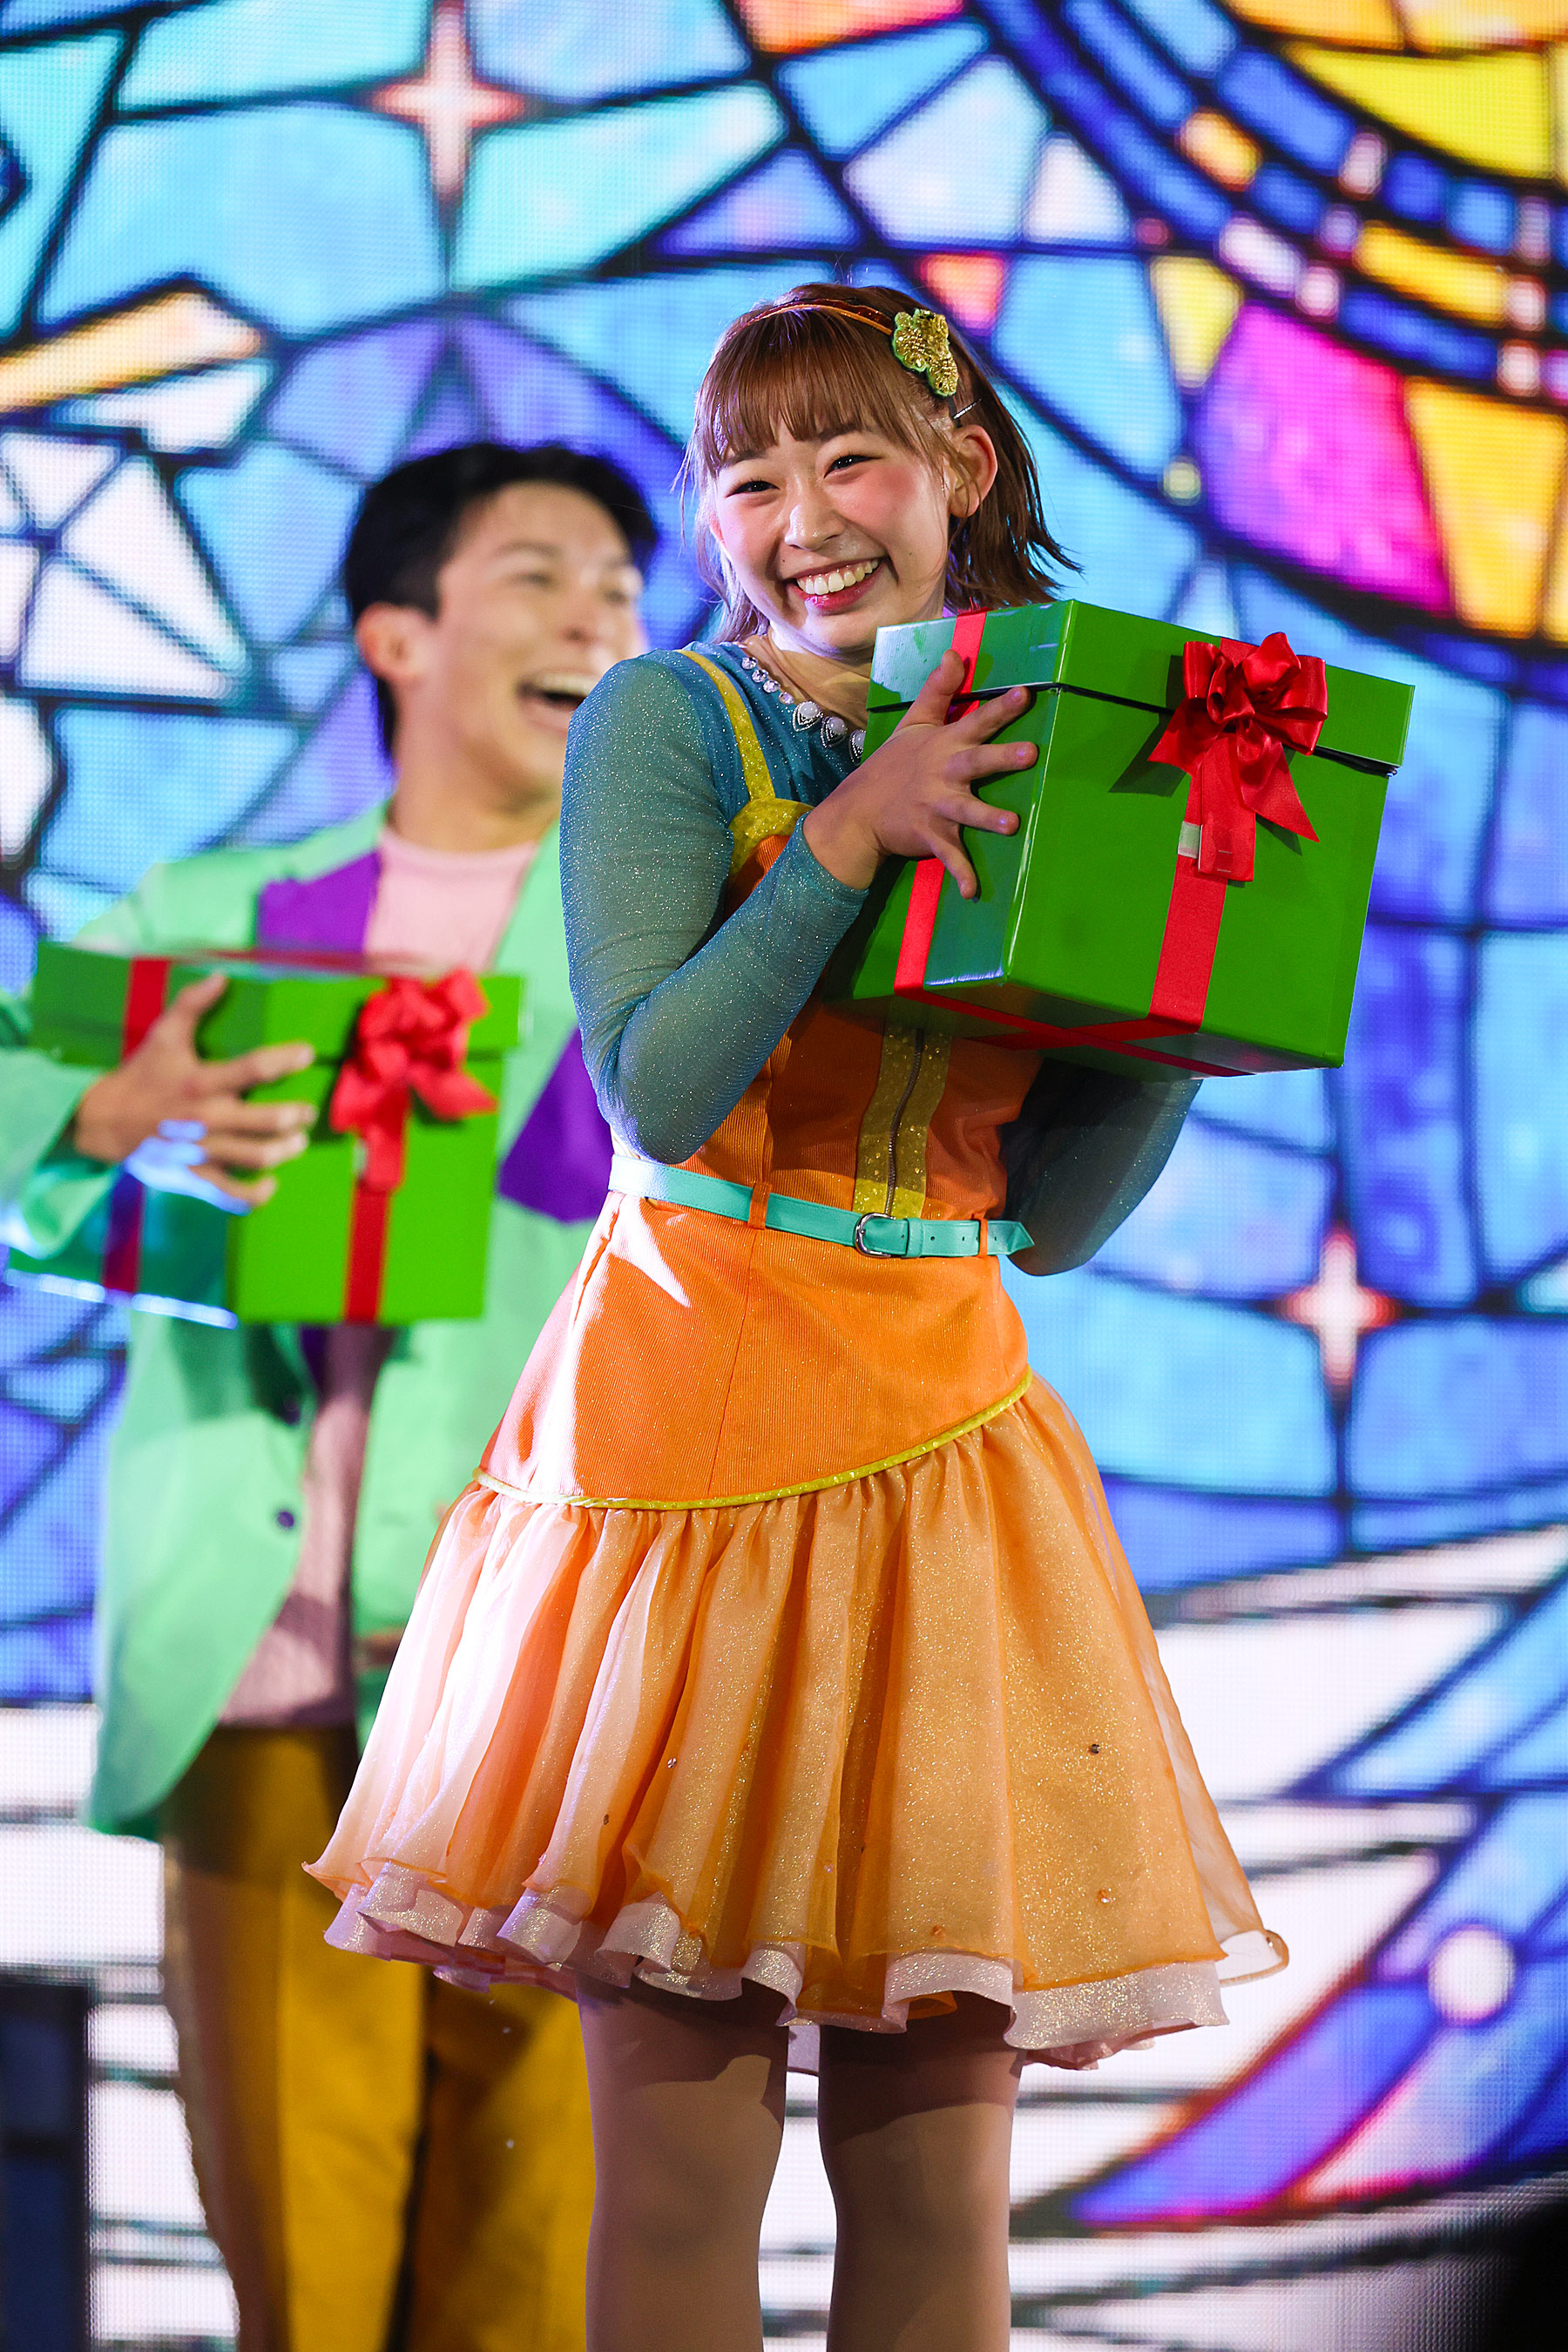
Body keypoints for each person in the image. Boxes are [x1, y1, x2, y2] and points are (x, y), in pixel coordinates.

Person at [309, 294, 1286, 2352]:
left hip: (950, 1473)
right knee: (685, 2180)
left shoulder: (1065, 728)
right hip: (696, 1452)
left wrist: (1194, 981)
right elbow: (658, 1091)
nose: (802, 516)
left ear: (962, 473)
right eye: (748, 477)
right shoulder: (675, 721)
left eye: (850, 459)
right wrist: (848, 831)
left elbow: (1057, 1222)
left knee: (937, 2193)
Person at [0, 441, 652, 2352]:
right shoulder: (208, 915)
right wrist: (103, 1121)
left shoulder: (668, 935)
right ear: (397, 634)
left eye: (623, 589)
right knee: (302, 2251)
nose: (598, 619)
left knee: (535, 2262)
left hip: (547, 1672)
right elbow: (25, 1128)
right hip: (265, 1662)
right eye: (540, 575)